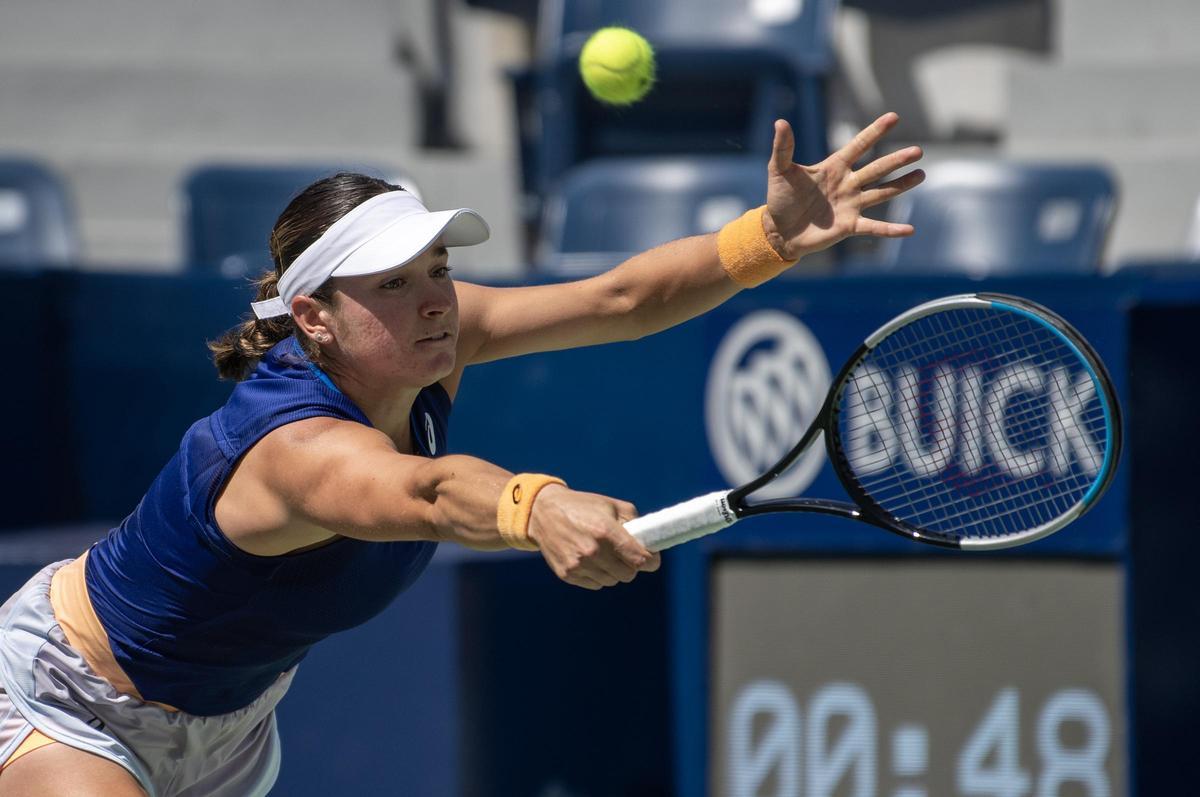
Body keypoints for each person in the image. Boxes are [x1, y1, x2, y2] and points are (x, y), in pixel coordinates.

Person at [0, 113, 922, 796]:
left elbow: (620, 299)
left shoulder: (435, 334)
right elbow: (433, 492)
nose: (435, 298)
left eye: (437, 268)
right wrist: (537, 504)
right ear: (313, 316)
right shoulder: (294, 451)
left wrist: (767, 238)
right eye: (394, 283)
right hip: (74, 700)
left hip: (232, 731)